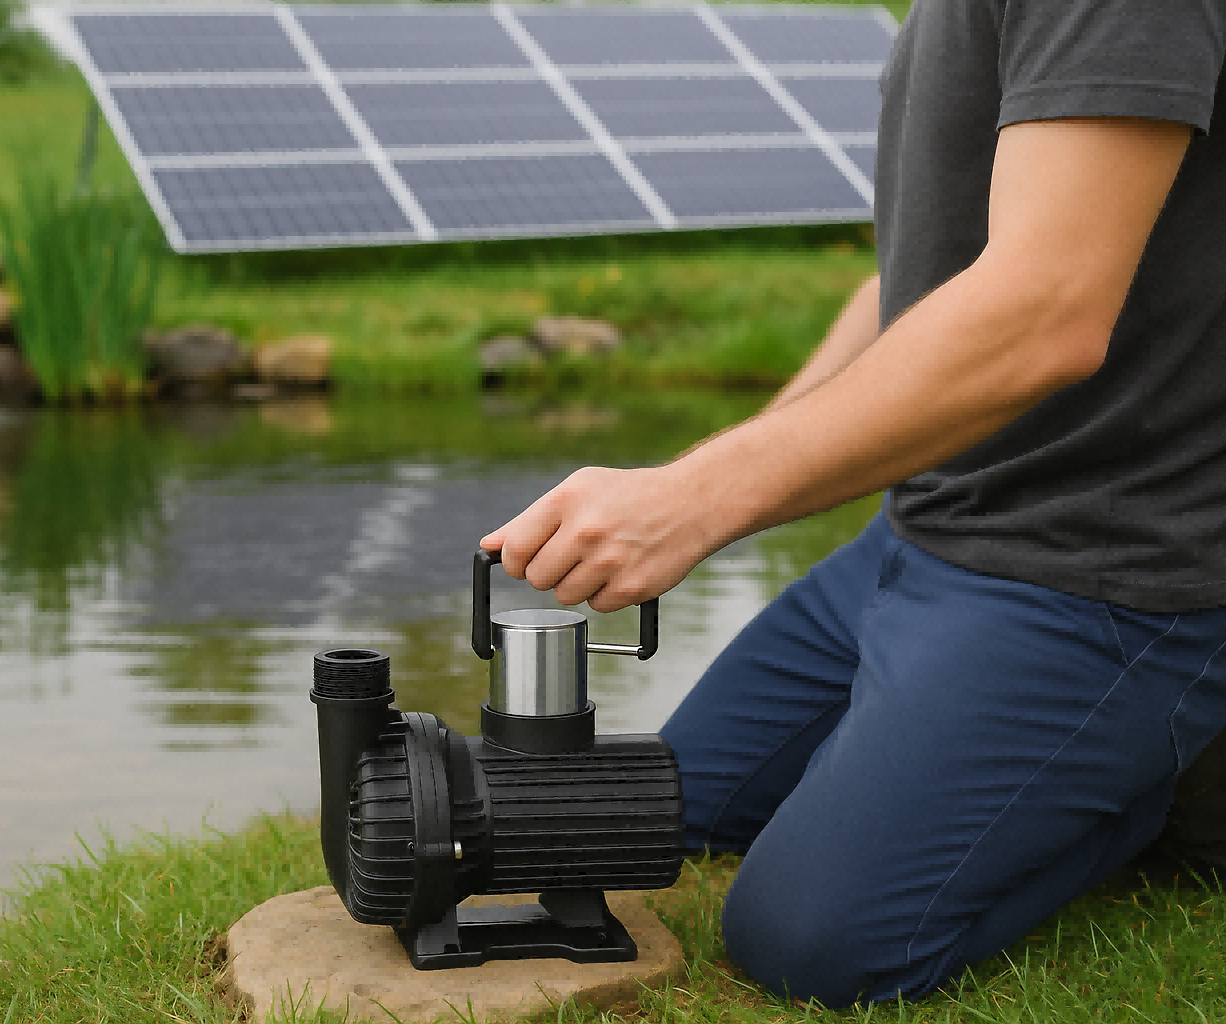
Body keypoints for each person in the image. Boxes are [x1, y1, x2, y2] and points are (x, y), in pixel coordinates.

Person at [479, 0, 1226, 1007]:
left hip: (1089, 566)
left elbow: (1046, 307)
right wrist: (716, 478)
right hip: (918, 530)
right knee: (672, 809)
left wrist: (699, 499)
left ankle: (1168, 781)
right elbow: (922, 273)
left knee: (810, 939)